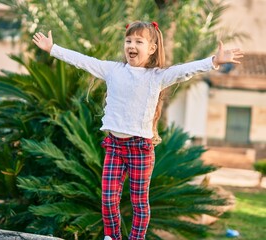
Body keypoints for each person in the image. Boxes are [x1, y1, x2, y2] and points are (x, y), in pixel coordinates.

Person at [32, 21, 243, 240]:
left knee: (139, 200)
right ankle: (112, 236)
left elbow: (185, 71)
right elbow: (83, 61)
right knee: (107, 198)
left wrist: (214, 61)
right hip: (114, 145)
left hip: (140, 148)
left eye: (138, 41)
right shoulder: (113, 70)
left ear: (151, 48)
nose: (131, 45)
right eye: (128, 41)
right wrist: (53, 49)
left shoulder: (157, 76)